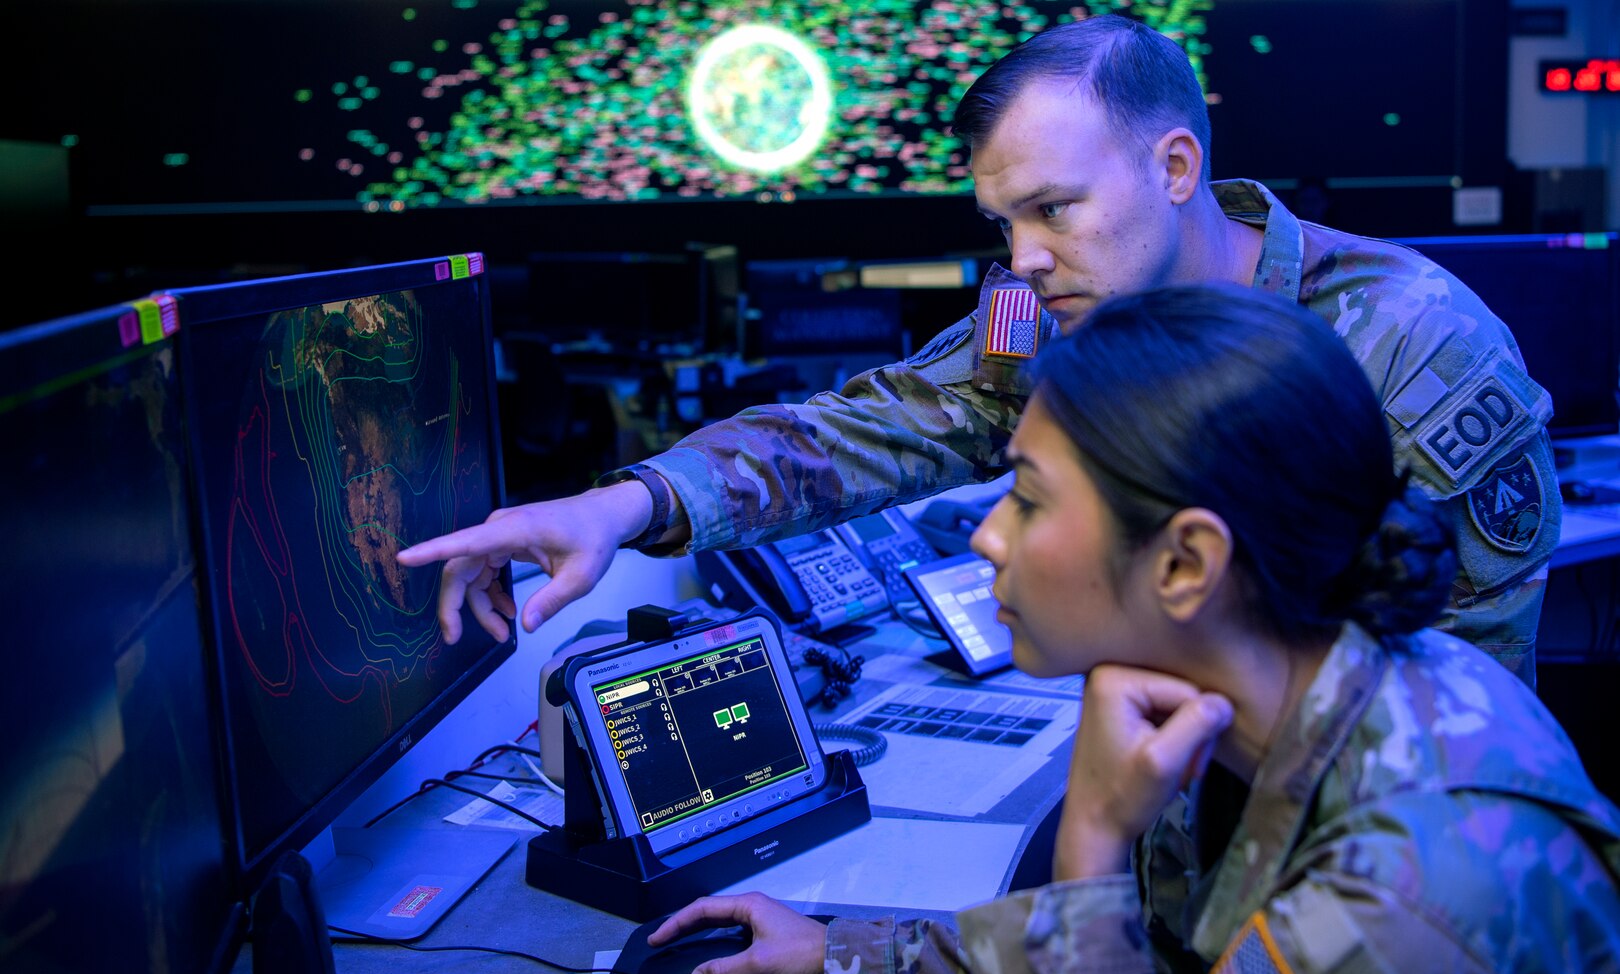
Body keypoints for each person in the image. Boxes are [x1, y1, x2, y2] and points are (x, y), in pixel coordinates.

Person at [397, 16, 1558, 682]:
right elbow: (879, 421)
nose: (1025, 258)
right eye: (1003, 225)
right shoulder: (1048, 313)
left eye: (1054, 208)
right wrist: (623, 508)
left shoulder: (1413, 341)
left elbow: (1466, 695)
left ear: (1174, 169)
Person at [646, 284, 1620, 974]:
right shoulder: (1256, 697)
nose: (985, 535)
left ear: (1187, 565)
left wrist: (1093, 843)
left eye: (1026, 499)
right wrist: (846, 961)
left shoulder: (1399, 906)